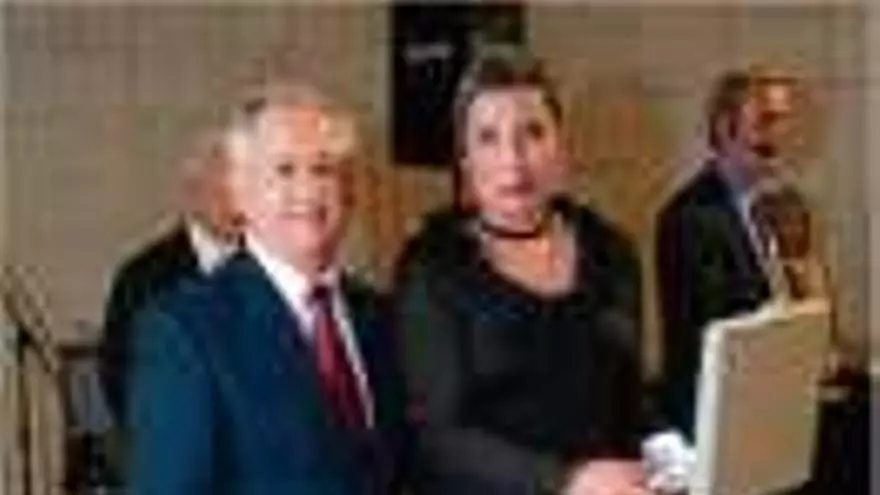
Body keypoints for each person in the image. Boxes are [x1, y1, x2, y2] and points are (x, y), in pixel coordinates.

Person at [393, 48, 657, 495]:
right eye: (488, 138)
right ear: (465, 161)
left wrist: (675, 458)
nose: (513, 160)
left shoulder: (612, 251)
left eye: (532, 133)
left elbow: (632, 400)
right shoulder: (431, 266)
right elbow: (438, 439)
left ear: (560, 146)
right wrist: (566, 480)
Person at [127, 82, 409, 495]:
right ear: (239, 193)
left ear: (348, 192)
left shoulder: (382, 317)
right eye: (284, 169)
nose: (308, 190)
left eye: (324, 169)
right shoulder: (185, 331)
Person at [654, 68, 830, 440]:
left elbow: (811, 300)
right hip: (717, 419)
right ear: (724, 127)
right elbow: (718, 334)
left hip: (782, 404)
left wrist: (818, 325)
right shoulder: (687, 218)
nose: (780, 136)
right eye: (766, 120)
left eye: (785, 121)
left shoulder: (787, 206)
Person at [99, 130, 242, 422]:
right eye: (223, 194)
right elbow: (119, 376)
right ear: (193, 196)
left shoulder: (271, 265)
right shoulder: (143, 276)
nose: (237, 207)